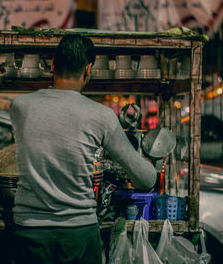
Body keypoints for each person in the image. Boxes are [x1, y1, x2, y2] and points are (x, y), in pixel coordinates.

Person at [9, 34, 157, 264]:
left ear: (52, 65)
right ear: (88, 70)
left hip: (29, 234)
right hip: (78, 236)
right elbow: (146, 180)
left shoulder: (20, 107)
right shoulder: (101, 116)